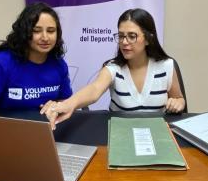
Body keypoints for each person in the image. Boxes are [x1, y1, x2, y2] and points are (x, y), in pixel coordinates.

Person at [41, 8, 186, 129]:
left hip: (157, 135)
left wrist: (178, 103)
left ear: (148, 38)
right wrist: (68, 104)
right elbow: (94, 89)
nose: (124, 42)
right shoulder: (113, 68)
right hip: (121, 136)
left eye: (132, 36)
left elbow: (178, 98)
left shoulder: (166, 65)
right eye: (121, 36)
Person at [0, 2, 72, 115]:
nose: (45, 37)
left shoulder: (58, 64)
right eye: (36, 31)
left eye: (51, 31)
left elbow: (65, 102)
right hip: (4, 131)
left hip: (46, 131)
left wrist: (56, 106)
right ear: (24, 32)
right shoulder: (2, 63)